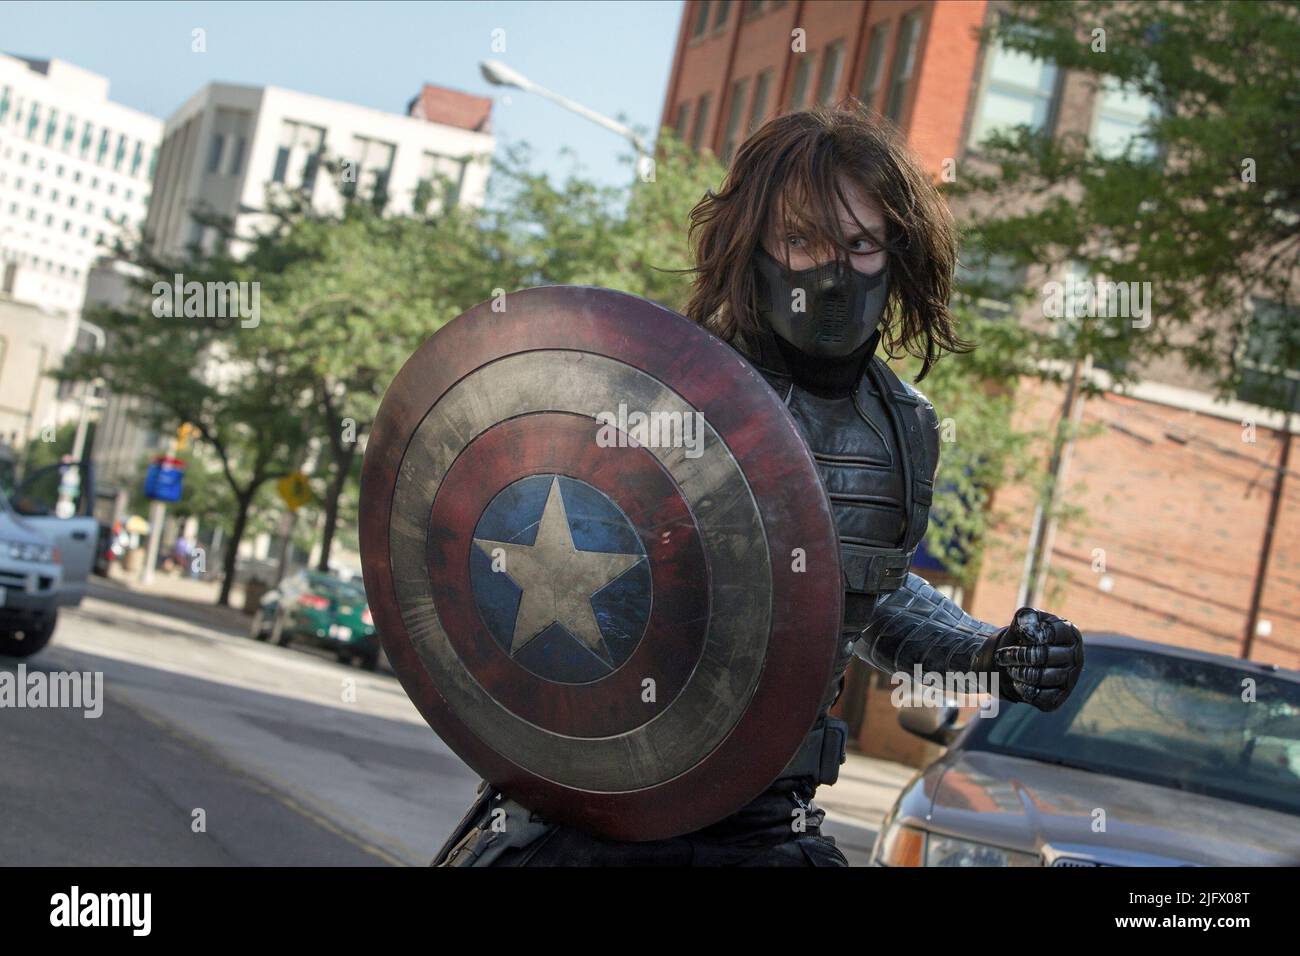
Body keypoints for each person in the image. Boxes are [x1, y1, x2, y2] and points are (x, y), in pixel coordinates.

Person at [434, 104, 1084, 867]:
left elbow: (864, 599)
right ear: (753, 244)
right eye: (800, 239)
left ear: (896, 253)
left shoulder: (906, 428)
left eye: (858, 242)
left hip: (764, 823)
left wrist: (989, 653)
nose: (830, 270)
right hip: (592, 809)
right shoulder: (655, 384)